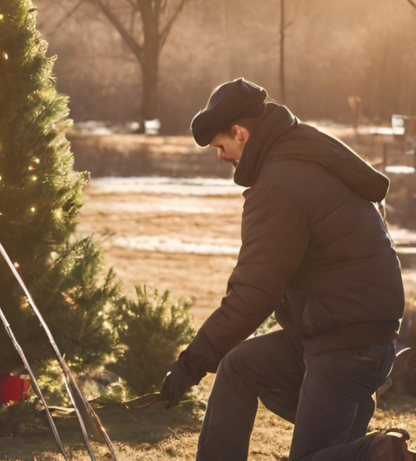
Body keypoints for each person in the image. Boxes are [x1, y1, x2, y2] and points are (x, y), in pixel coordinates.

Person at [159, 78, 411, 460]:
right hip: (334, 333)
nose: (220, 156)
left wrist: (188, 366)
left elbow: (251, 296)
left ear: (240, 133)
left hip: (349, 345)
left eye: (220, 146)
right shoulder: (299, 153)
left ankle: (384, 453)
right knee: (239, 367)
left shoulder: (279, 184)